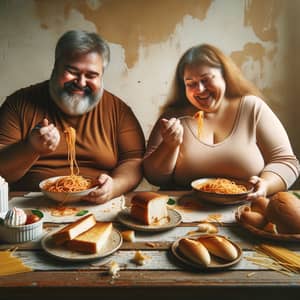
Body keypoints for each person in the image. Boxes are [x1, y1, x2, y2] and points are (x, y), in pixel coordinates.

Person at [0, 30, 145, 204]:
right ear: (55, 67)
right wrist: (31, 147)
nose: (81, 82)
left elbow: (134, 160)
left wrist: (114, 187)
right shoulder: (18, 104)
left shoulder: (118, 110)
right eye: (72, 71)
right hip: (30, 206)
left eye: (91, 75)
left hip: (97, 206)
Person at [143, 44, 299, 199]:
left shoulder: (252, 107)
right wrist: (169, 145)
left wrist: (266, 185)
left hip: (246, 208)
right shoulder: (172, 118)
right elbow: (154, 177)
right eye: (191, 83)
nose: (200, 89)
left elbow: (286, 162)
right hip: (184, 212)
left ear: (225, 76)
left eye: (206, 80)